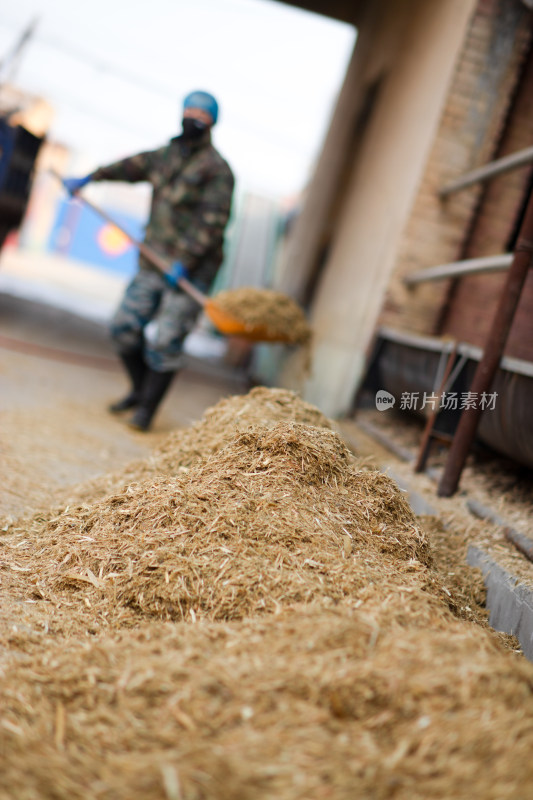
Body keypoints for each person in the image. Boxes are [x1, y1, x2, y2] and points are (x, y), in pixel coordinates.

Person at [63, 90, 235, 431]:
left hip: (191, 271)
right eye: (189, 111)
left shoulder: (218, 171)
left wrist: (184, 261)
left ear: (212, 121)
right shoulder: (165, 156)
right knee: (124, 328)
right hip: (154, 259)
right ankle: (139, 391)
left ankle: (146, 413)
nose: (193, 118)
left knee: (166, 341)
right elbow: (129, 167)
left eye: (201, 114)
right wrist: (91, 177)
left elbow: (212, 224)